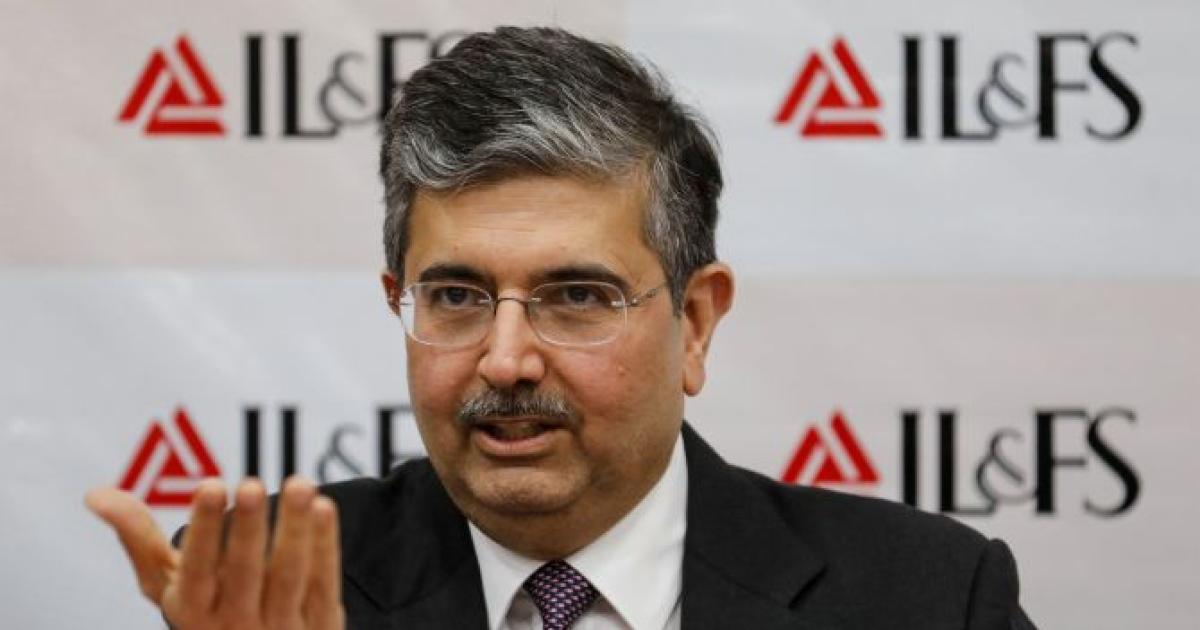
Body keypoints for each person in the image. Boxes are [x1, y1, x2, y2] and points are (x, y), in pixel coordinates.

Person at [86, 26, 1037, 630]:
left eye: (577, 296)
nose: (505, 360)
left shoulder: (925, 598)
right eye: (457, 297)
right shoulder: (269, 594)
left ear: (695, 322)